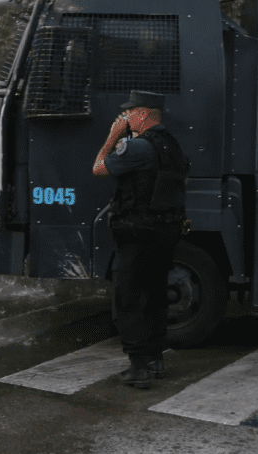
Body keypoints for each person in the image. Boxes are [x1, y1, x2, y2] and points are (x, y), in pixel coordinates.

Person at [93, 90, 190, 389]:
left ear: (144, 115)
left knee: (128, 299)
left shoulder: (137, 148)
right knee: (156, 296)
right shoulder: (172, 146)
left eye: (130, 113)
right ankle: (155, 360)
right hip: (166, 232)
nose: (125, 117)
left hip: (138, 234)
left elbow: (98, 168)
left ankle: (138, 367)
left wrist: (112, 135)